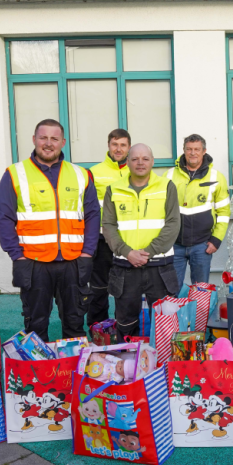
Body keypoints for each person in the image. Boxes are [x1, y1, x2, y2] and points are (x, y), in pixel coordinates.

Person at [0, 119, 99, 341]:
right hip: (32, 262)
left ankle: (72, 372)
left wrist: (88, 253)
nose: (48, 143)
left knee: (74, 322)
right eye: (43, 137)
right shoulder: (15, 174)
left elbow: (92, 216)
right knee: (35, 324)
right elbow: (3, 217)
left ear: (63, 142)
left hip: (73, 261)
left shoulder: (81, 175)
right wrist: (17, 255)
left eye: (54, 138)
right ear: (34, 140)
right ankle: (38, 373)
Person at [102, 143, 181, 339]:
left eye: (145, 159)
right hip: (125, 267)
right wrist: (127, 252)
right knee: (125, 321)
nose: (140, 163)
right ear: (127, 162)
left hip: (160, 267)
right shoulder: (114, 189)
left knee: (165, 324)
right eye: (135, 159)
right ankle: (128, 366)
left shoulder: (167, 186)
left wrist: (148, 252)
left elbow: (173, 224)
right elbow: (108, 225)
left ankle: (164, 367)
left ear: (152, 162)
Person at [165, 134, 230, 286]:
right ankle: (177, 311)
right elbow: (162, 209)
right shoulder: (169, 175)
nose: (193, 153)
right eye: (189, 149)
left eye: (197, 149)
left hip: (203, 245)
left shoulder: (216, 177)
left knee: (201, 292)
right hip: (175, 245)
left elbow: (224, 213)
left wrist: (216, 240)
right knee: (172, 290)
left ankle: (198, 311)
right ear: (184, 150)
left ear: (204, 151)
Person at [87, 128, 131, 326]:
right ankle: (99, 332)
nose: (118, 149)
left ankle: (126, 329)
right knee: (99, 288)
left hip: (128, 240)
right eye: (115, 144)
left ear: (129, 147)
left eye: (122, 145)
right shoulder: (94, 172)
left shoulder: (137, 170)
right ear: (108, 146)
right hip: (102, 239)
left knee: (128, 288)